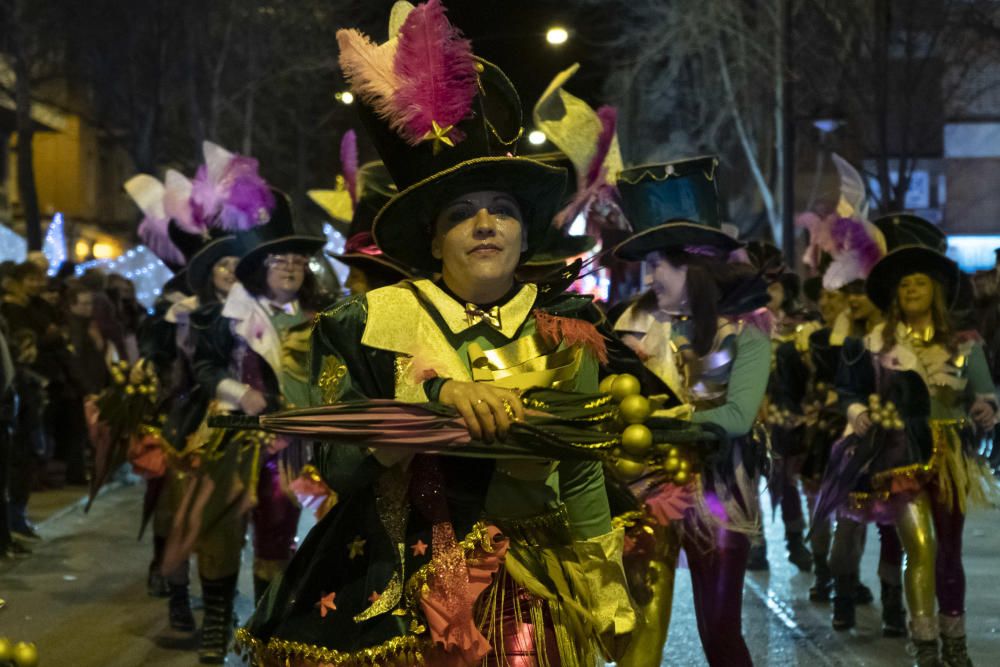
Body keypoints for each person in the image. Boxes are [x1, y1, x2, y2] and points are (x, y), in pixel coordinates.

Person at [237, 6, 652, 664]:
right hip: (401, 593)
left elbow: (579, 478)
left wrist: (605, 590)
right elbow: (341, 467)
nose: (485, 223)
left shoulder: (567, 336)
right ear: (434, 238)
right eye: (462, 214)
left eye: (503, 210)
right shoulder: (370, 324)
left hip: (532, 594)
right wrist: (428, 410)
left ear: (523, 234)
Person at [610, 156, 771, 667]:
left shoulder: (745, 332)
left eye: (661, 262)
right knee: (641, 633)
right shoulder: (626, 327)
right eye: (649, 262)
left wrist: (663, 423)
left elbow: (739, 417)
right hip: (643, 492)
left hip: (720, 494)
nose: (650, 274)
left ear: (695, 266)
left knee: (719, 631)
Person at [823, 244, 998, 667]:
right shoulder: (876, 342)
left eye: (920, 282)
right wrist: (858, 410)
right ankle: (924, 645)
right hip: (899, 457)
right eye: (905, 284)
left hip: (951, 457)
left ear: (935, 290)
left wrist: (987, 408)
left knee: (949, 551)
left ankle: (954, 640)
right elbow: (848, 389)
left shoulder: (964, 342)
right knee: (919, 547)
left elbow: (986, 394)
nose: (912, 289)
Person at [186, 187, 328, 663]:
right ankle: (217, 621)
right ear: (260, 268)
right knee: (220, 531)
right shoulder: (226, 317)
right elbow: (205, 370)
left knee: (281, 535)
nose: (290, 266)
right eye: (279, 259)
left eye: (298, 260)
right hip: (235, 440)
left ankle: (268, 628)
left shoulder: (323, 319)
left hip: (294, 448)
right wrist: (237, 392)